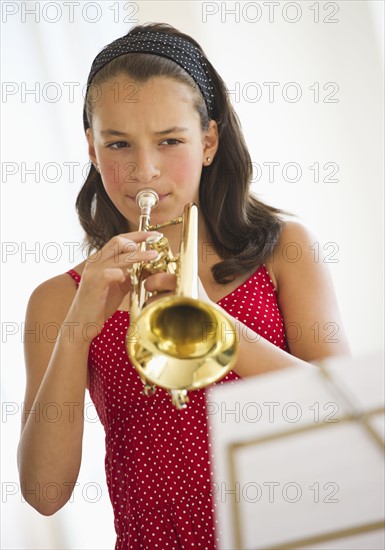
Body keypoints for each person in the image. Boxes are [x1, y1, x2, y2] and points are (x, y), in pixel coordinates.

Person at [17, 22, 351, 549]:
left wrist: (213, 322)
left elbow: (349, 422)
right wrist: (77, 330)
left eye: (169, 141)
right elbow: (43, 492)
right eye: (118, 144)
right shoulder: (58, 300)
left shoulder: (284, 249)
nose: (143, 171)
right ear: (91, 147)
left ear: (209, 141)